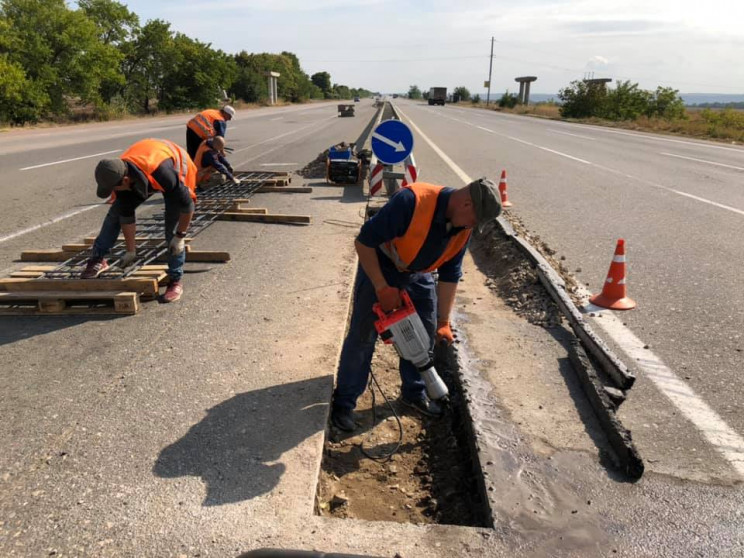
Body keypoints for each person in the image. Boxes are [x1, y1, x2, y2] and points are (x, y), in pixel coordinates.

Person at [330, 178, 502, 432]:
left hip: (418, 273)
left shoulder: (462, 228)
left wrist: (444, 322)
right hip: (381, 265)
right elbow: (363, 242)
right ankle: (344, 403)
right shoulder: (412, 202)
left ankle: (413, 394)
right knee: (363, 336)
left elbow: (450, 274)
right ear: (466, 204)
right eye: (475, 220)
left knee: (425, 333)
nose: (472, 227)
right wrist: (381, 287)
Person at [81, 138, 197, 303]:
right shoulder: (120, 175)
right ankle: (98, 258)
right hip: (144, 166)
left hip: (175, 165)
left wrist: (180, 236)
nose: (113, 191)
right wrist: (131, 250)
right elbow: (126, 216)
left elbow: (187, 205)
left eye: (114, 188)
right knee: (116, 212)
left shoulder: (164, 174)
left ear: (126, 180)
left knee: (172, 226)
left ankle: (175, 280)